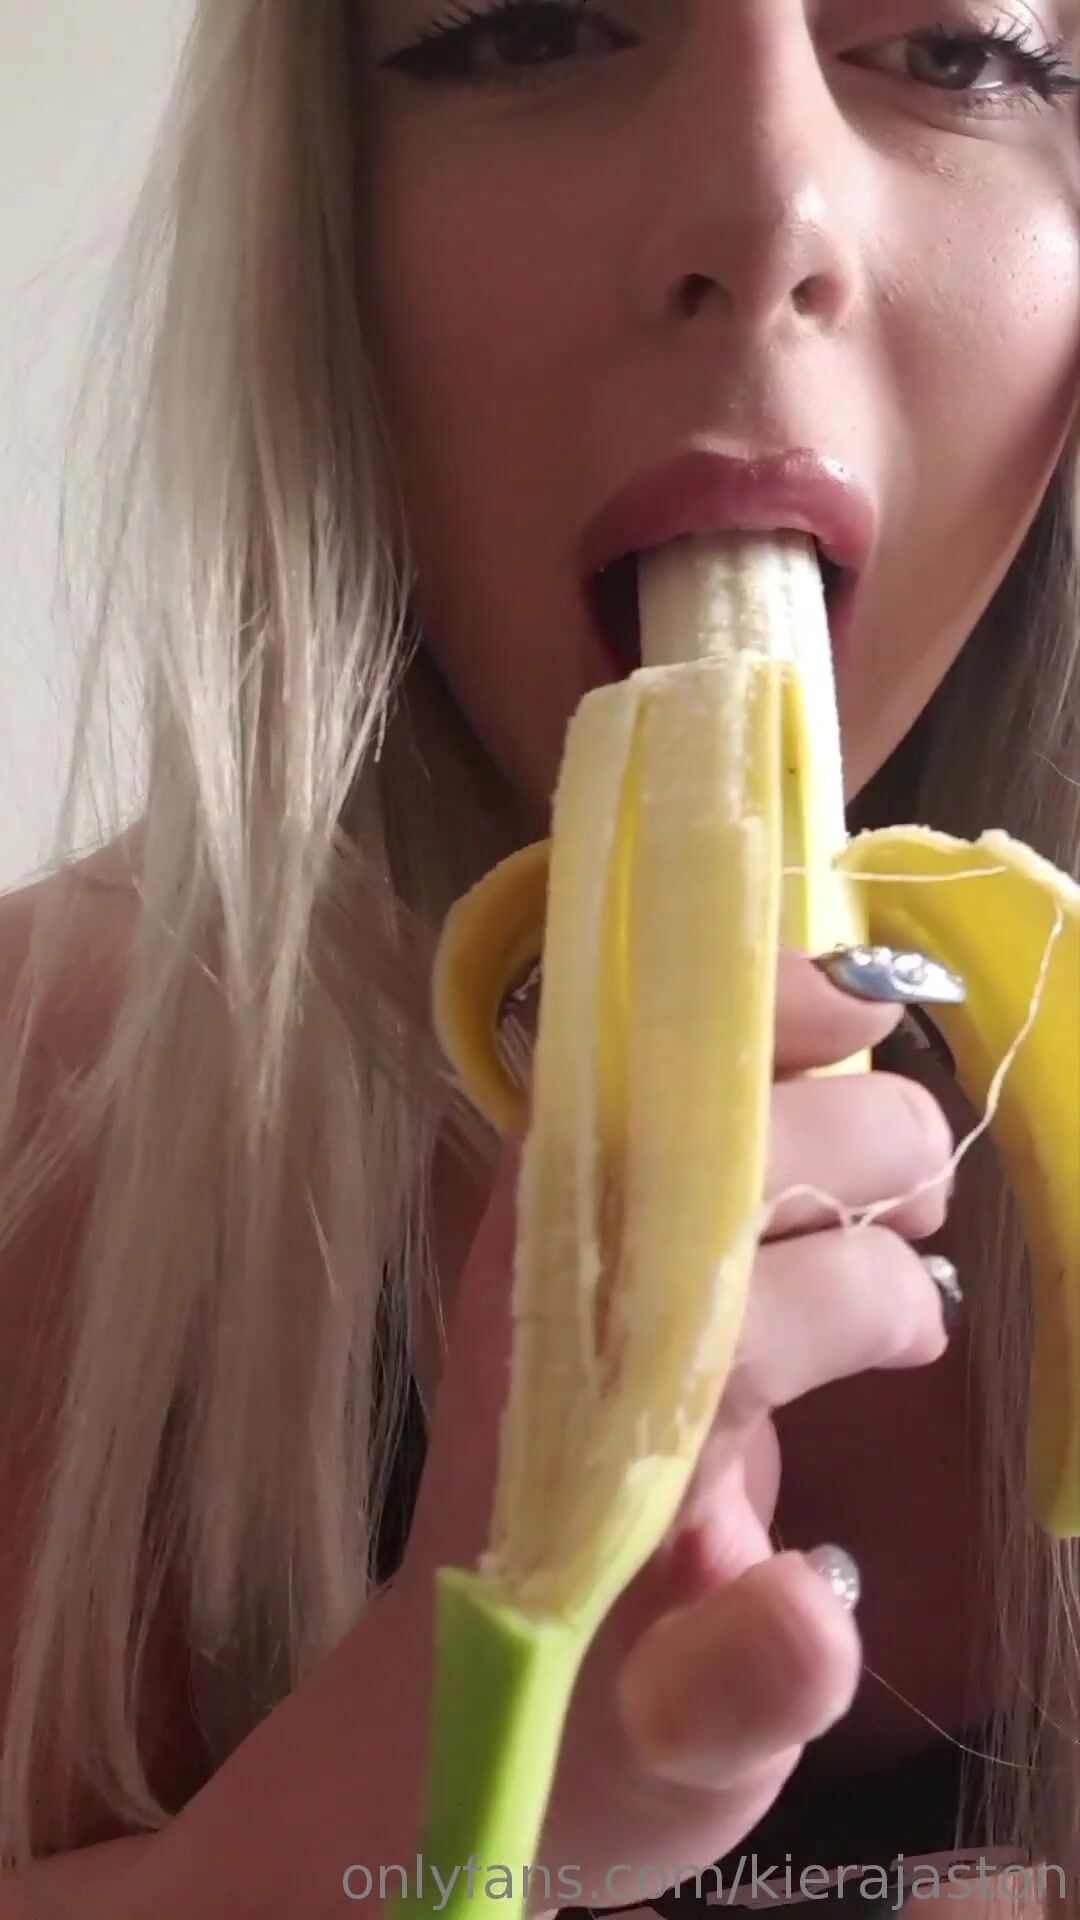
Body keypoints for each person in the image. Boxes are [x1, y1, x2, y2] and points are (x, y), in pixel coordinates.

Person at [0, 3, 1077, 1916]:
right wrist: (435, 1789)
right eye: (533, 28)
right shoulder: (49, 1112)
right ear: (325, 223)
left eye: (960, 49)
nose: (766, 209)